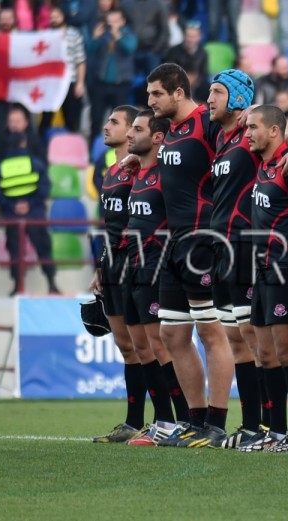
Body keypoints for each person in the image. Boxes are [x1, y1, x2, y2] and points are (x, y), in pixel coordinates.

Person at [144, 63, 235, 448]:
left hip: (202, 241)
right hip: (174, 243)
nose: (150, 101)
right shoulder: (171, 131)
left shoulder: (206, 123)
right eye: (149, 94)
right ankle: (194, 420)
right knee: (172, 333)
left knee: (210, 331)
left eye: (157, 94)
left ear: (178, 92)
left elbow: (246, 133)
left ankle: (216, 423)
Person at [203, 69, 265, 450]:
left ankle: (268, 427)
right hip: (220, 249)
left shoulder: (252, 134)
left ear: (239, 98)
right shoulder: (221, 137)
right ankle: (251, 425)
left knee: (253, 340)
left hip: (245, 247)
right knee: (236, 341)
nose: (209, 99)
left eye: (217, 92)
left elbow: (286, 129)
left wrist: (255, 111)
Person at [123, 110, 193, 447]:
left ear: (157, 138)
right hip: (136, 266)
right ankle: (163, 420)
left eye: (137, 129)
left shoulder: (167, 175)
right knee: (143, 346)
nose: (129, 134)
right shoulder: (139, 173)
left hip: (158, 266)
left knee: (161, 344)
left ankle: (183, 420)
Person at [90, 105, 157, 444]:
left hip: (136, 261)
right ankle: (133, 422)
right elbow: (109, 226)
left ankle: (164, 420)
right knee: (126, 347)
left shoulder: (139, 170)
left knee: (147, 346)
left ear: (132, 130)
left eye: (115, 122)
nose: (107, 126)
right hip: (113, 265)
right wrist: (101, 265)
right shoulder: (110, 172)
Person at [245, 104, 288, 451]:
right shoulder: (264, 165)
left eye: (253, 127)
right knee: (265, 353)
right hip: (262, 269)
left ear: (274, 131)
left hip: (286, 268)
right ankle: (276, 430)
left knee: (287, 352)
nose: (248, 134)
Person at [0, 129, 56, 295]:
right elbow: (45, 186)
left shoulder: (1, 167)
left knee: (15, 252)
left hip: (12, 214)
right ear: (24, 144)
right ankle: (52, 285)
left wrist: (12, 206)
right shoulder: (34, 163)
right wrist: (30, 204)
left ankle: (17, 287)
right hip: (35, 212)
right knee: (44, 249)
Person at [85, 9, 137, 146]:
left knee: (120, 121)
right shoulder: (103, 35)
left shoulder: (129, 35)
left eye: (115, 21)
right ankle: (92, 149)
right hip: (101, 83)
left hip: (121, 85)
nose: (112, 24)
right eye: (110, 21)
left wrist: (117, 36)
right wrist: (95, 38)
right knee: (96, 119)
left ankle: (118, 149)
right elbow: (90, 50)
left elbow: (130, 48)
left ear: (122, 21)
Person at [48, 6, 86, 134]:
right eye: (51, 17)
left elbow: (80, 61)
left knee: (71, 119)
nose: (54, 19)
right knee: (46, 119)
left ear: (63, 17)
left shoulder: (74, 34)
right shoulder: (45, 35)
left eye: (57, 16)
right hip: (50, 83)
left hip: (70, 81)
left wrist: (80, 83)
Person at [162, 22, 209, 105]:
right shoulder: (173, 51)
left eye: (193, 37)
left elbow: (204, 73)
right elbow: (169, 72)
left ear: (199, 37)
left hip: (197, 85)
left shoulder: (203, 53)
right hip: (177, 83)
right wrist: (184, 78)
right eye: (188, 36)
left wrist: (195, 79)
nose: (190, 39)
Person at [123, 0, 169, 74]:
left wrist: (155, 50)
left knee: (153, 79)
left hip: (151, 51)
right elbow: (122, 25)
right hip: (131, 51)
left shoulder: (158, 4)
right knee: (128, 79)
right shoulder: (126, 4)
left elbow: (164, 31)